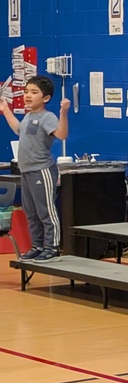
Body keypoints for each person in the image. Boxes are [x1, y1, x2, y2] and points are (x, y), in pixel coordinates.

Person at [0, 75, 69, 263]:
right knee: (31, 212)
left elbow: (62, 134)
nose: (28, 96)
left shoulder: (48, 117)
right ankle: (37, 245)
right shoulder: (29, 116)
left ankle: (52, 247)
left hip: (42, 171)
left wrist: (64, 112)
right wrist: (5, 110)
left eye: (34, 92)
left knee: (46, 211)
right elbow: (18, 129)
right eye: (26, 92)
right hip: (26, 171)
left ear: (45, 98)